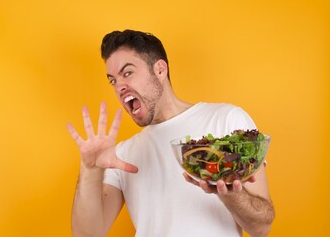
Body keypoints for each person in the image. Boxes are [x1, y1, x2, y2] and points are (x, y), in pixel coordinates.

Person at [66, 29, 275, 237]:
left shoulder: (226, 120)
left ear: (159, 70)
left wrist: (229, 194)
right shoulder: (121, 155)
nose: (119, 87)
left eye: (127, 73)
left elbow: (261, 227)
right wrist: (90, 169)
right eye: (113, 81)